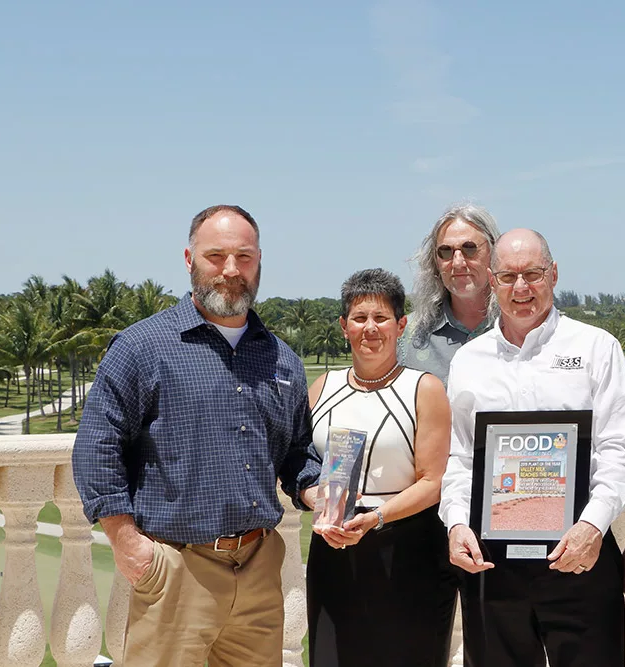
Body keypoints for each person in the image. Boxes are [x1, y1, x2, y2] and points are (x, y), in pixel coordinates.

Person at [71, 205, 321, 667]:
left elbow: (296, 453)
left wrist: (319, 492)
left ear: (259, 261)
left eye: (243, 257)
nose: (230, 270)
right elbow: (96, 450)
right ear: (189, 258)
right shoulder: (143, 347)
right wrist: (131, 548)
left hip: (259, 569)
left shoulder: (283, 360)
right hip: (175, 569)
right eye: (216, 255)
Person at [440, 229, 625, 667]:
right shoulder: (469, 362)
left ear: (554, 274)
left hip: (579, 556)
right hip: (492, 566)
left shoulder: (595, 348)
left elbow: (618, 453)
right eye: (509, 276)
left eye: (533, 274)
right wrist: (455, 524)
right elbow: (459, 458)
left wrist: (592, 529)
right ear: (492, 281)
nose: (521, 288)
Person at [306, 268, 458, 667]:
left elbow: (433, 481)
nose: (369, 328)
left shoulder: (424, 388)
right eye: (359, 318)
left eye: (381, 318)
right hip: (333, 546)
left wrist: (374, 518)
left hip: (407, 551)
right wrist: (315, 500)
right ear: (344, 327)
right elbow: (300, 463)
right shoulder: (322, 388)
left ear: (400, 325)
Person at [399, 203, 500, 386]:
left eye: (470, 248)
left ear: (494, 253)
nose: (458, 262)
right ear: (435, 262)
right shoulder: (405, 336)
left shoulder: (521, 330)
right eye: (446, 251)